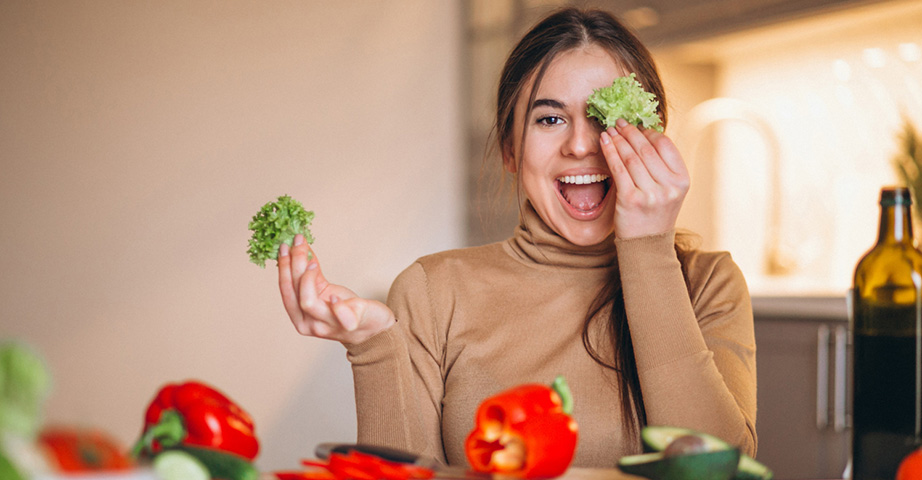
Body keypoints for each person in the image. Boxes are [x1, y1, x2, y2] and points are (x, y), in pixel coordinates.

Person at [277, 7, 756, 468]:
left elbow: (719, 467)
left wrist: (648, 246)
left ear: (653, 140)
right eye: (550, 118)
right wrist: (373, 345)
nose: (581, 145)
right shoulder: (431, 291)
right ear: (510, 149)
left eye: (606, 116)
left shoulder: (708, 283)